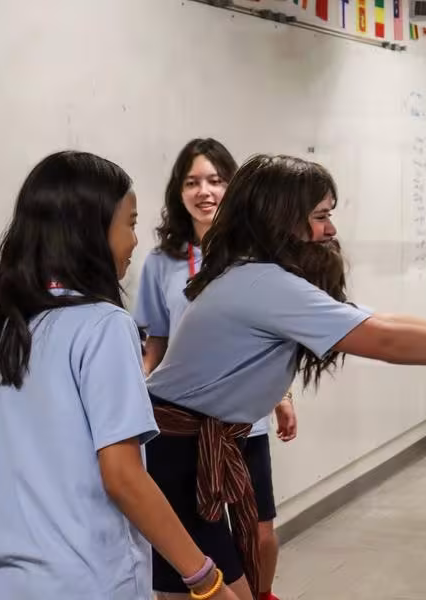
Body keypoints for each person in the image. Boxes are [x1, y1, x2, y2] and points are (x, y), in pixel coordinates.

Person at [142, 153, 426, 599]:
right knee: (213, 592)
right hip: (177, 453)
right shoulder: (261, 282)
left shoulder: (261, 276)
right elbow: (386, 342)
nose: (330, 230)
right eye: (320, 216)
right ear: (280, 217)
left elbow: (384, 321)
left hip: (195, 446)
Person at [0, 151, 237, 600]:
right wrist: (205, 580)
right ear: (90, 232)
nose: (135, 241)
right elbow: (123, 476)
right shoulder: (104, 325)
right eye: (130, 223)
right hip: (88, 580)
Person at [133, 138, 293, 600]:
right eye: (192, 182)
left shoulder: (254, 256)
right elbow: (156, 344)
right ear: (178, 192)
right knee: (204, 537)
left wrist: (283, 397)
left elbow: (274, 337)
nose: (204, 191)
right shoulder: (162, 263)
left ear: (234, 188)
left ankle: (260, 593)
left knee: (260, 532)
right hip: (184, 425)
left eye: (216, 180)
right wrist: (138, 391)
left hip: (243, 422)